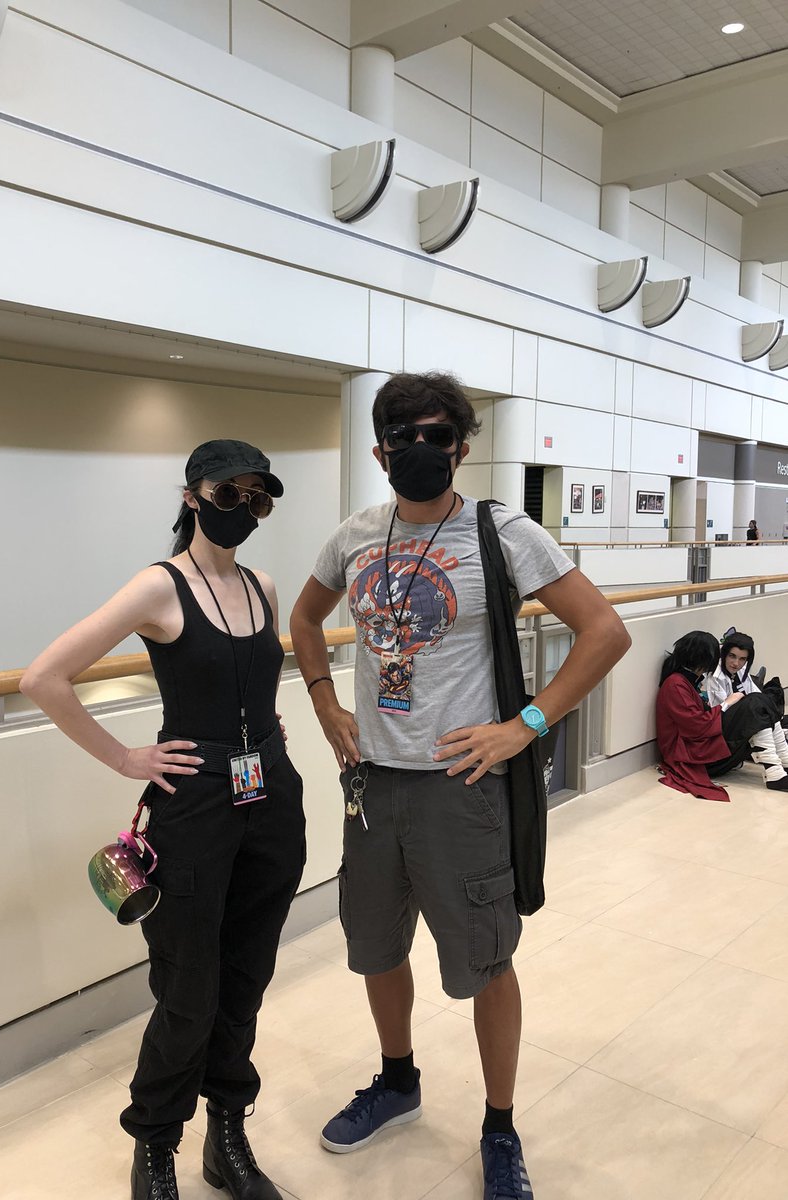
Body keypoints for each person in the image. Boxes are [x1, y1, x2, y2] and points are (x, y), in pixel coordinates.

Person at [289, 371, 631, 1200]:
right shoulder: (355, 536)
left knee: (485, 960)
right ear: (380, 452)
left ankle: (499, 1126)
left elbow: (603, 630)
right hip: (373, 784)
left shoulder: (502, 532)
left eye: (438, 436)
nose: (422, 449)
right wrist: (326, 702)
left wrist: (526, 725)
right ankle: (397, 1080)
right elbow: (303, 619)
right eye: (403, 438)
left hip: (461, 786)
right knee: (375, 946)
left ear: (462, 447)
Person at [20, 440, 306, 1200]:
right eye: (227, 492)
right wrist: (124, 758)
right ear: (191, 496)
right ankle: (155, 1145)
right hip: (194, 807)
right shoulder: (159, 586)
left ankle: (227, 1134)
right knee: (189, 987)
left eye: (256, 496)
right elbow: (43, 677)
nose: (242, 507)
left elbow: (251, 683)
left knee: (246, 976)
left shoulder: (263, 585)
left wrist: (259, 731)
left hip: (271, 799)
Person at [656, 631, 738, 802]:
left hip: (695, 744)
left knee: (757, 705)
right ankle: (775, 767)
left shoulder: (686, 681)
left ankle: (776, 764)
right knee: (754, 706)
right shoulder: (676, 684)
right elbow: (696, 725)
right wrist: (726, 704)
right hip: (688, 753)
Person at [704, 630, 788, 789]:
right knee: (757, 704)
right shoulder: (713, 676)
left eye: (742, 659)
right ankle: (775, 770)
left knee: (764, 702)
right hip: (720, 735)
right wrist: (732, 701)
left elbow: (758, 698)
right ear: (724, 654)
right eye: (732, 656)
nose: (736, 663)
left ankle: (782, 764)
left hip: (740, 727)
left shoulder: (741, 671)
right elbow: (718, 714)